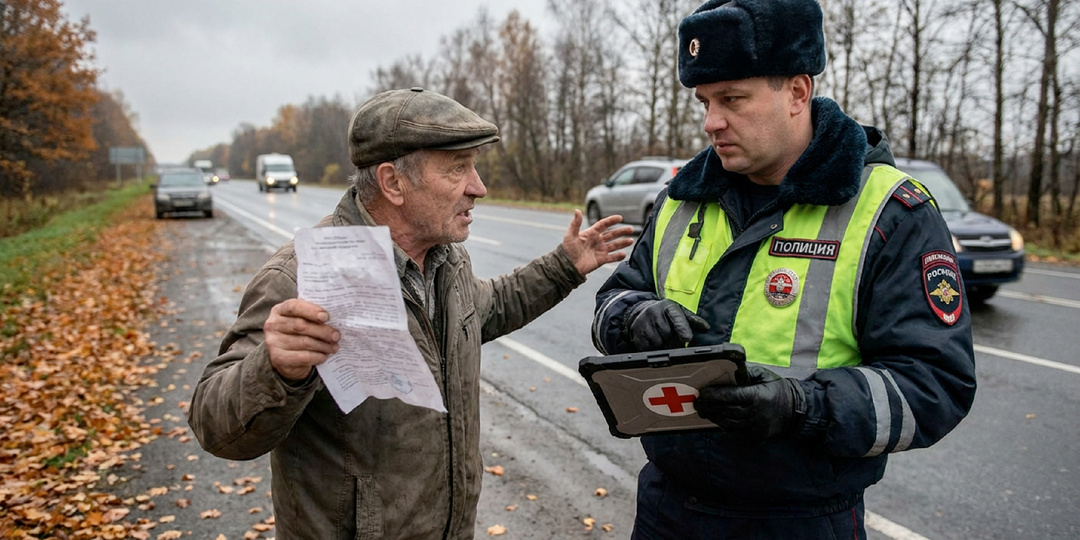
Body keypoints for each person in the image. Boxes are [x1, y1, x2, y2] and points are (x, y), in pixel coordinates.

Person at [591, 0, 977, 537]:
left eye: (732, 99)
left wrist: (803, 407)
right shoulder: (681, 199)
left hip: (803, 522)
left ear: (797, 92)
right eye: (704, 101)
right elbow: (613, 299)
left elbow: (935, 385)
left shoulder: (891, 211)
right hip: (666, 508)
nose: (711, 122)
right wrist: (634, 318)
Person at [188, 87, 634, 539]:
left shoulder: (446, 260)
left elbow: (489, 308)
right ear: (393, 183)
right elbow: (215, 426)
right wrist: (276, 368)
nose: (479, 187)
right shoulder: (302, 277)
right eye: (458, 168)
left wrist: (563, 266)